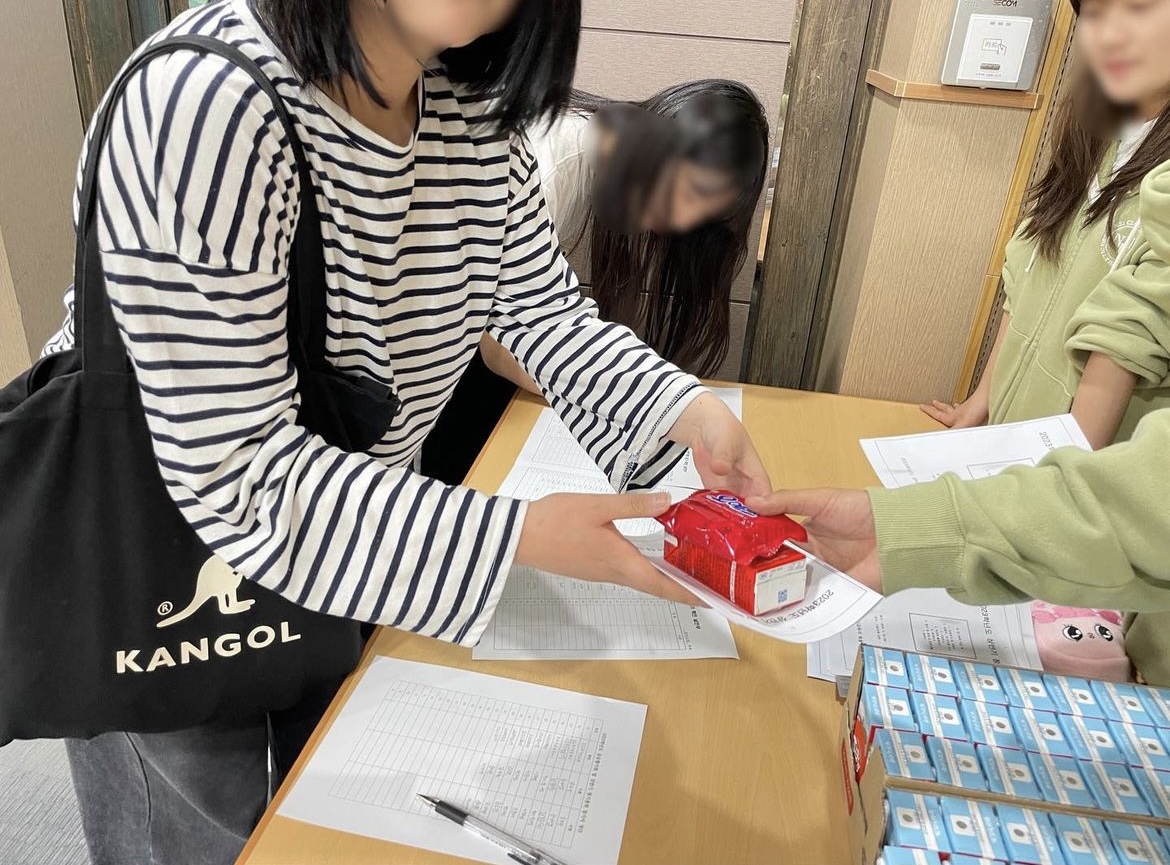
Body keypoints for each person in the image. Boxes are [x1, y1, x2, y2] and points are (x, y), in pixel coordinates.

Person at [43, 1, 770, 862]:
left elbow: (541, 313)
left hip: (350, 544)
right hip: (168, 565)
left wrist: (686, 409)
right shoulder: (204, 103)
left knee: (327, 821)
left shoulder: (468, 111)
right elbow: (239, 471)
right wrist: (519, 535)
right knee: (199, 832)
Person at [422, 79, 770, 484]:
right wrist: (632, 401)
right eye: (686, 192)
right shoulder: (546, 164)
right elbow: (509, 340)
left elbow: (539, 322)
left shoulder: (579, 156)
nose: (680, 219)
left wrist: (679, 408)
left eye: (701, 212)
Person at [921, 0, 1170, 449]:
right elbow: (1028, 269)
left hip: (1093, 464)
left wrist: (1054, 478)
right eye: (1095, 14)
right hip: (1016, 445)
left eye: (1138, 7)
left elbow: (1127, 337)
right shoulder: (1096, 135)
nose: (1110, 34)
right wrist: (983, 401)